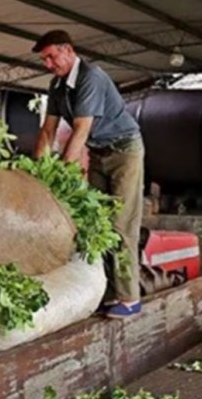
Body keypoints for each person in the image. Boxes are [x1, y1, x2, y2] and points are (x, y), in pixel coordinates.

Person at [32, 29, 144, 319]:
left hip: (124, 152)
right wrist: (36, 172)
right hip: (98, 153)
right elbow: (48, 131)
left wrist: (65, 175)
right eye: (44, 60)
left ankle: (129, 298)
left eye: (51, 57)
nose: (48, 64)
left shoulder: (90, 78)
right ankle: (107, 292)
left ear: (68, 50)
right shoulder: (57, 86)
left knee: (121, 224)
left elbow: (81, 129)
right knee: (95, 222)